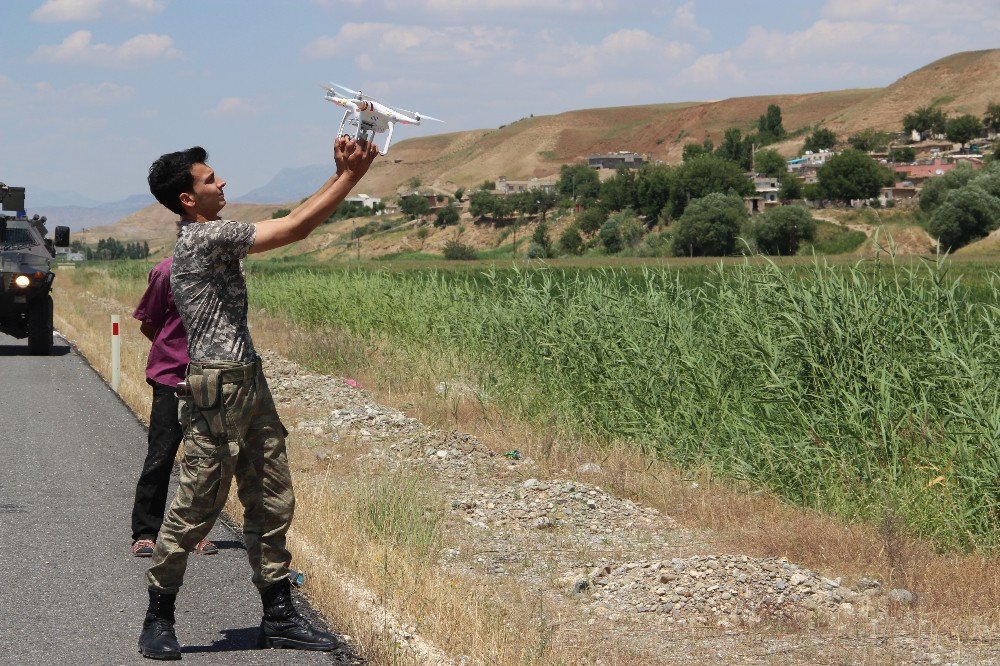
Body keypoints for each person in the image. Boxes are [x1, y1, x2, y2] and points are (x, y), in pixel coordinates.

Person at [138, 136, 378, 660]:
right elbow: (294, 227)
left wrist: (337, 175)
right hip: (217, 385)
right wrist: (349, 177)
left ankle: (279, 614)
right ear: (187, 199)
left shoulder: (213, 234)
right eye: (209, 179)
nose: (221, 183)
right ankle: (158, 615)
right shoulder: (202, 240)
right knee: (196, 502)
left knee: (271, 495)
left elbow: (295, 218)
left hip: (248, 379)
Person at [130, 255, 217, 558]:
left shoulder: (224, 272)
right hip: (170, 377)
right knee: (161, 456)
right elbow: (148, 324)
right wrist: (176, 352)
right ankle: (145, 532)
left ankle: (195, 533)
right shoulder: (165, 272)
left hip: (213, 377)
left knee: (205, 459)